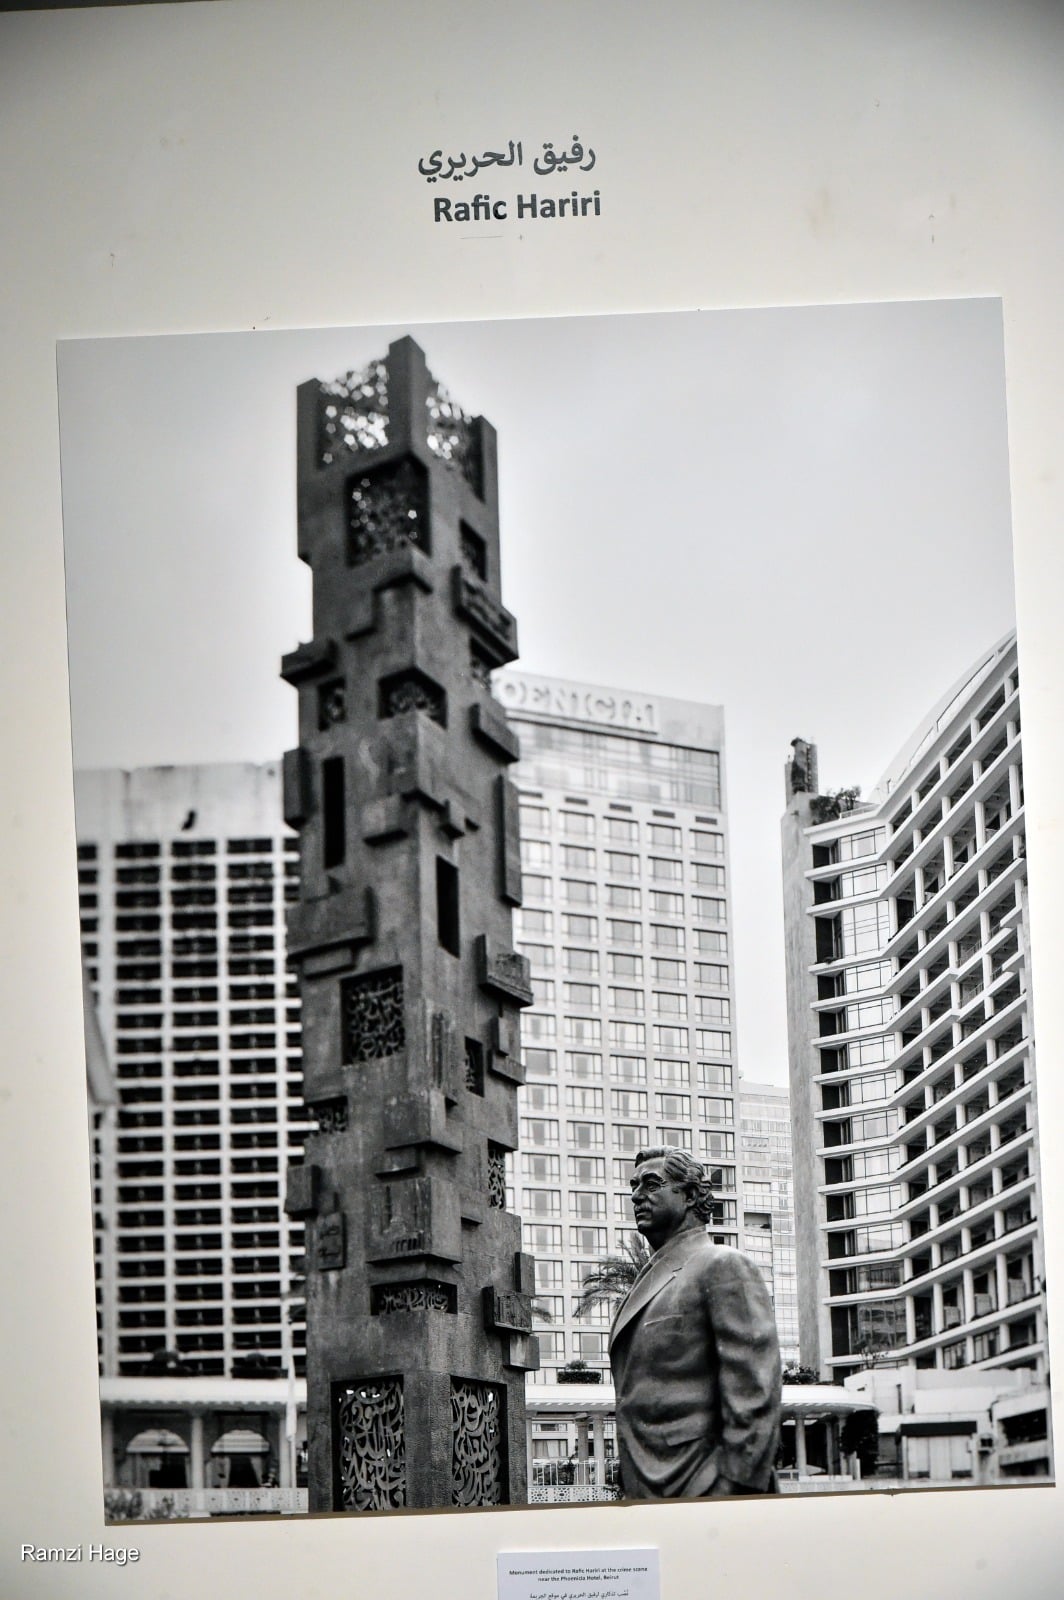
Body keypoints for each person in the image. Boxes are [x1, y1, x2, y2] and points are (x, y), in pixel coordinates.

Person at [609, 1146, 781, 1499]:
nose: (636, 1196)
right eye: (633, 1186)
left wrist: (733, 1486)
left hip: (704, 1485)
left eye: (651, 1184)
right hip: (650, 1486)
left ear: (689, 1195)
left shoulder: (722, 1265)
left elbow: (755, 1389)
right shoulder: (649, 1280)